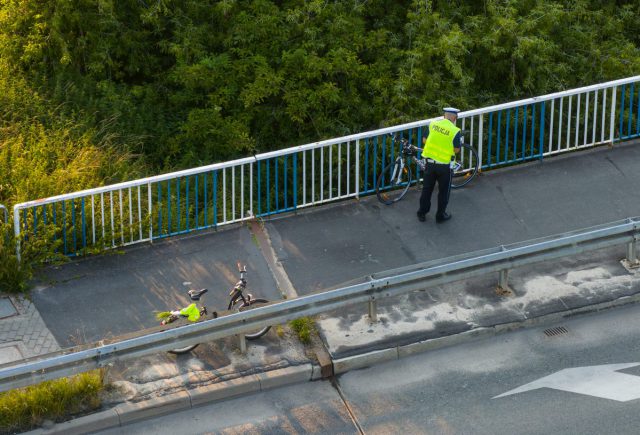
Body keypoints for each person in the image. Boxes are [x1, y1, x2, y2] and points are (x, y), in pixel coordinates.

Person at [416, 107, 461, 223]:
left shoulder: (433, 124)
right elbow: (456, 150)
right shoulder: (455, 131)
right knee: (443, 192)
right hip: (444, 167)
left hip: (429, 164)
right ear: (455, 118)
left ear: (444, 116)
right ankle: (440, 216)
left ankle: (422, 213)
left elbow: (424, 140)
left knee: (427, 190)